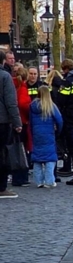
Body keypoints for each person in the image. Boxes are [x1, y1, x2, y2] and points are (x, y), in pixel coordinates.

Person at [29, 84, 62, 188]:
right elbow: (59, 120)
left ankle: (39, 181)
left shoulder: (32, 106)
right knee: (50, 158)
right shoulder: (51, 106)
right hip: (49, 134)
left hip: (37, 134)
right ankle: (49, 181)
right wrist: (58, 132)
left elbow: (30, 121)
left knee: (38, 159)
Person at [0, 62, 22, 199]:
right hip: (2, 121)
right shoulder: (4, 76)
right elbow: (10, 102)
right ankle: (1, 187)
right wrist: (17, 122)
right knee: (3, 153)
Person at [10, 65, 32, 187]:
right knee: (21, 150)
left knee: (15, 149)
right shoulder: (22, 87)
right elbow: (23, 104)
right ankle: (21, 177)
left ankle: (16, 175)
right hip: (22, 121)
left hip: (14, 120)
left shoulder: (13, 85)